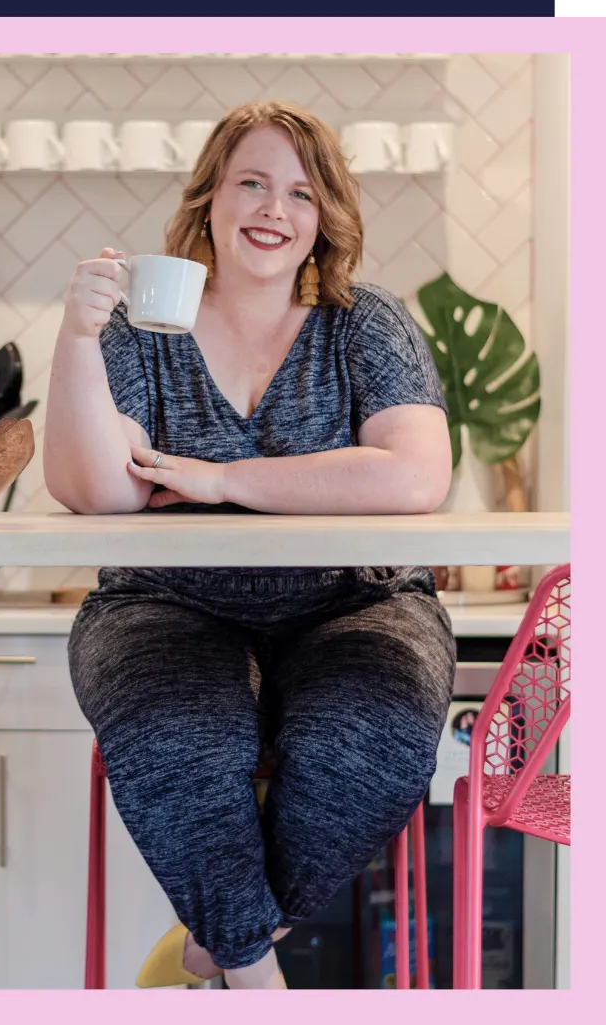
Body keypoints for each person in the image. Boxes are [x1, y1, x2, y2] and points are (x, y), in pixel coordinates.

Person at [43, 101, 457, 990]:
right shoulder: (137, 332)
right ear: (210, 202)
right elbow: (93, 489)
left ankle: (209, 948)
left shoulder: (365, 323)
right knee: (173, 735)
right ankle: (252, 976)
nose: (275, 209)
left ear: (324, 220)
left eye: (301, 193)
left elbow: (417, 475)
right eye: (253, 184)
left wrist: (224, 480)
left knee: (373, 737)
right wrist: (78, 339)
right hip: (165, 602)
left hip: (358, 601)